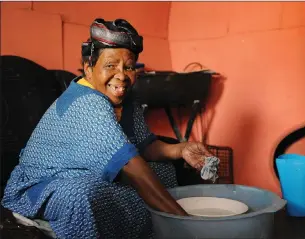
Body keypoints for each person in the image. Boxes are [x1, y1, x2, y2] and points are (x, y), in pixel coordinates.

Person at [1, 18, 214, 239]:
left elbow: (145, 145)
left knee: (164, 172)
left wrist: (181, 149)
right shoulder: (86, 101)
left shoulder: (124, 98)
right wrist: (188, 225)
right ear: (88, 69)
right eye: (110, 65)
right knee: (83, 195)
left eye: (129, 67)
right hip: (40, 186)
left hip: (83, 173)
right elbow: (131, 165)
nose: (122, 75)